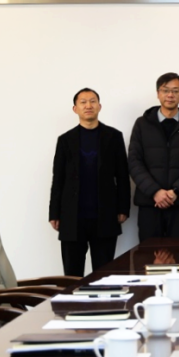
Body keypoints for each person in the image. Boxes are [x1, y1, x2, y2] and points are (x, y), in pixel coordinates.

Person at [48, 88, 130, 276]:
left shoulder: (113, 137)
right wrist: (54, 212)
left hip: (105, 214)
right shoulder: (65, 140)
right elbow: (58, 178)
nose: (88, 106)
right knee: (72, 274)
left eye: (92, 101)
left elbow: (123, 176)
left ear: (99, 106)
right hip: (72, 216)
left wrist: (123, 208)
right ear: (75, 108)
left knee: (103, 275)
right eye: (83, 102)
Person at [127, 72, 179, 240]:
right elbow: (134, 162)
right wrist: (155, 192)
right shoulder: (142, 123)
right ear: (158, 93)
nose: (170, 95)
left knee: (178, 252)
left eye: (176, 91)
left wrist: (175, 192)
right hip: (149, 202)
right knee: (148, 253)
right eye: (165, 90)